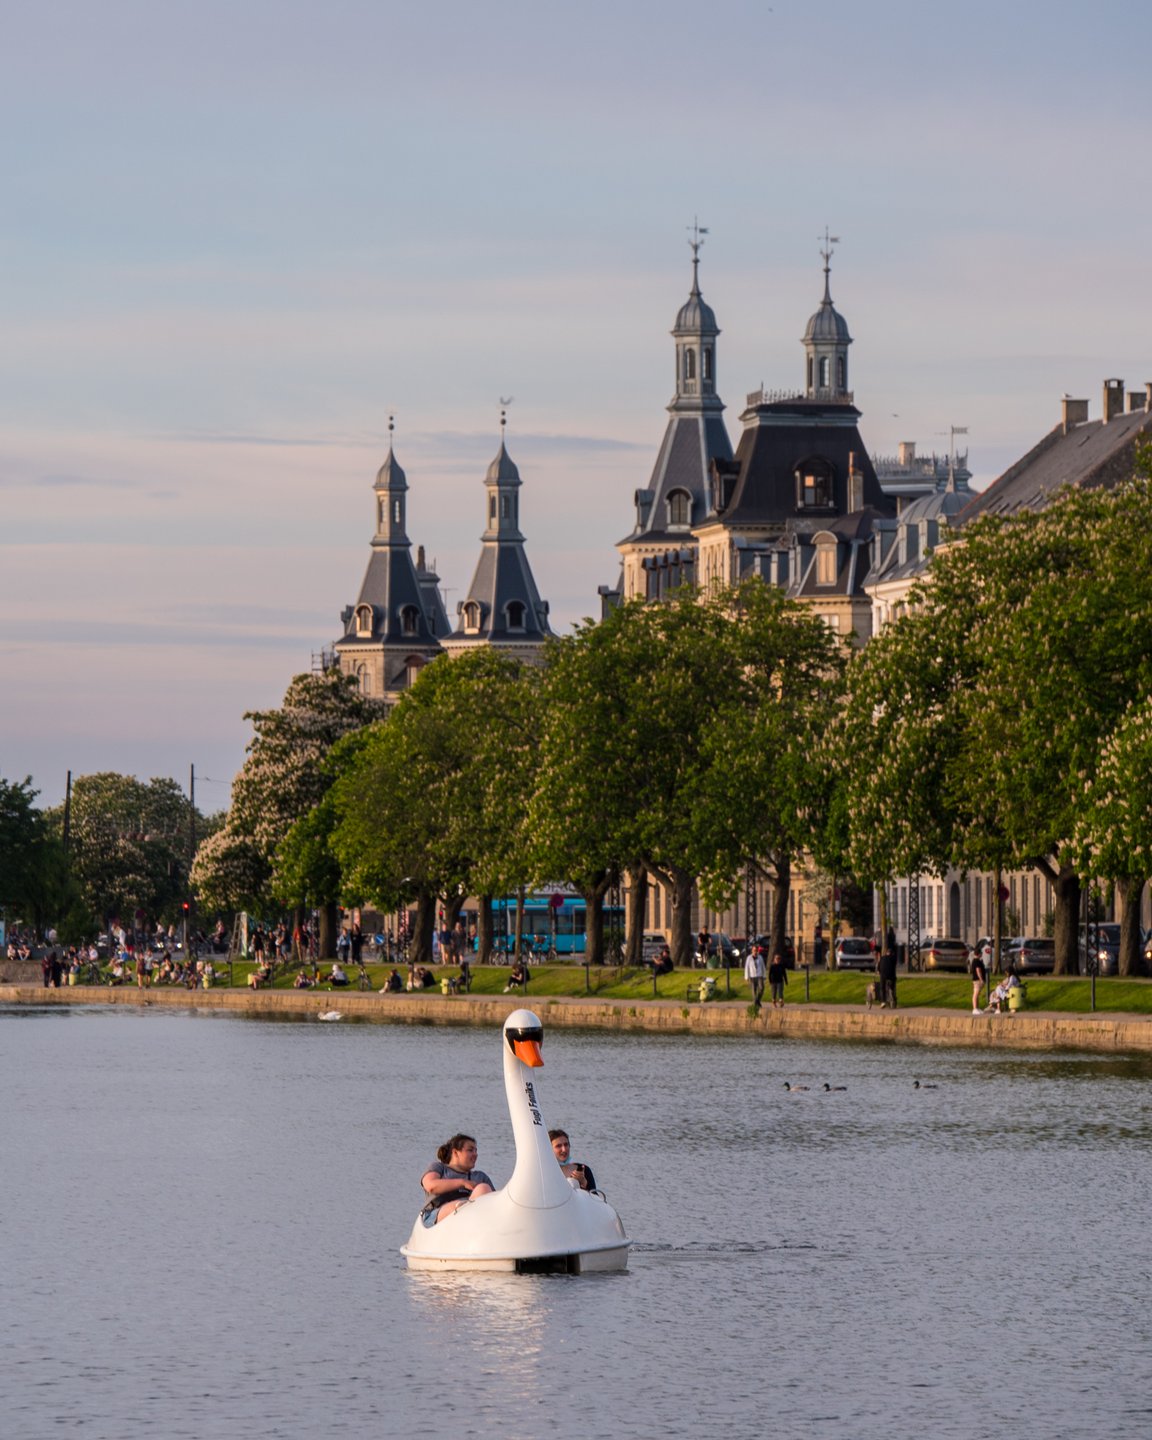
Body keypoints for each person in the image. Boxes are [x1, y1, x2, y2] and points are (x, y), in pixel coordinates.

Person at [420, 1135, 495, 1223]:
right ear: (455, 1152)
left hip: (472, 1215)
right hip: (436, 1214)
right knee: (460, 1206)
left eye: (476, 1151)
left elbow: (495, 1204)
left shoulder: (480, 1177)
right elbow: (430, 1186)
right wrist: (463, 1183)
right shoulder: (439, 1168)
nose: (475, 1154)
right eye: (470, 1150)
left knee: (483, 1188)